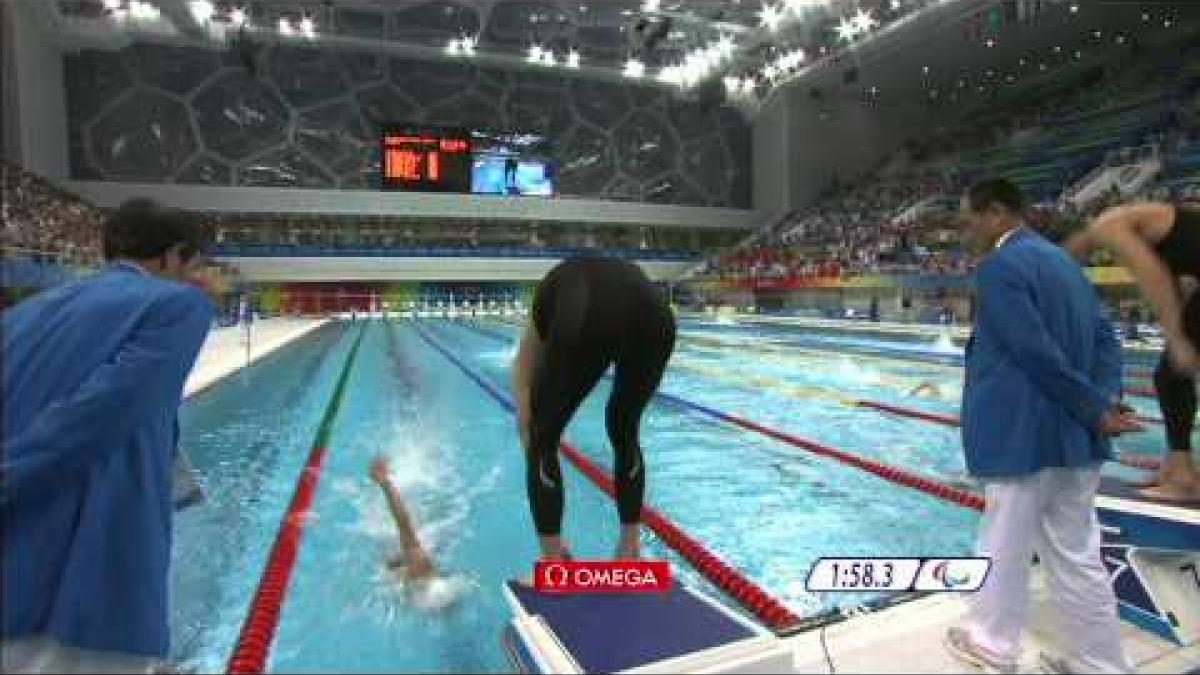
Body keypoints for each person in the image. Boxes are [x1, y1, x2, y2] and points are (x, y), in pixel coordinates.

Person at [2, 199, 215, 664]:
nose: (193, 277)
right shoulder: (178, 305)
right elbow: (105, 411)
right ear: (171, 256)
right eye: (192, 264)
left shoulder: (22, 315)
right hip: (83, 589)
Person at [947, 180, 1142, 674]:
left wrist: (1093, 409)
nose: (966, 233)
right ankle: (1100, 663)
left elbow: (1032, 349)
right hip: (1076, 442)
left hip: (1021, 437)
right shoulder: (1067, 267)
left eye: (970, 222)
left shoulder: (1000, 265)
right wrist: (1100, 406)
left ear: (996, 213)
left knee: (1004, 545)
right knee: (1077, 556)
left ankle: (993, 644)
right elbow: (1107, 344)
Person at [512, 256, 676, 561]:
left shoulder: (542, 312)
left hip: (587, 308)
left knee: (542, 439)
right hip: (656, 314)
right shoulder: (558, 288)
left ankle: (553, 559)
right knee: (624, 431)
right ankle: (630, 547)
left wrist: (535, 446)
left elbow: (526, 415)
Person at [1065, 201, 1200, 501]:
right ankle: (1176, 468)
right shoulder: (1144, 222)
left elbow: (1154, 277)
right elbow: (1180, 275)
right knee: (1170, 375)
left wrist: (1176, 336)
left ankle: (1184, 478)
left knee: (1171, 375)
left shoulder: (1109, 225)